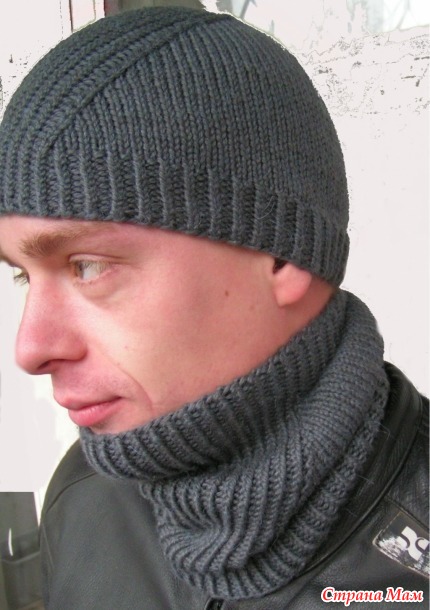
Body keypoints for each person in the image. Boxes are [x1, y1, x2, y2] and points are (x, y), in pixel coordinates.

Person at [0, 7, 427, 610]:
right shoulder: (83, 494)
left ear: (280, 254)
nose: (30, 348)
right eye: (23, 273)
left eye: (87, 266)